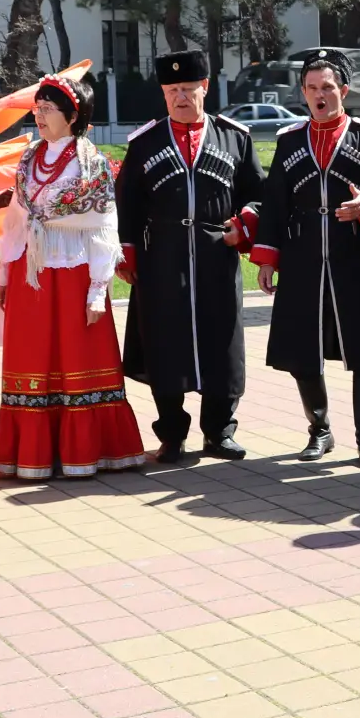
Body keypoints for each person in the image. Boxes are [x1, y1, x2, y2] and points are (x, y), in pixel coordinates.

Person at [251, 49, 360, 470]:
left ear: (344, 91)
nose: (320, 95)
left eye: (328, 87)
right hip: (302, 258)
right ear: (303, 92)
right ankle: (320, 430)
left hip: (352, 257)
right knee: (302, 349)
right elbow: (275, 204)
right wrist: (267, 259)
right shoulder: (289, 140)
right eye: (312, 88)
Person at [116, 50, 266, 464]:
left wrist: (245, 225)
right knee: (165, 342)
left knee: (222, 341)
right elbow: (127, 203)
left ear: (205, 88)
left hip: (217, 254)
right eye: (172, 90)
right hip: (161, 258)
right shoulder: (145, 142)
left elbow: (258, 194)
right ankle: (172, 433)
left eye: (187, 89)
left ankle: (219, 431)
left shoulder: (235, 137)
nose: (180, 97)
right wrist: (127, 254)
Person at [0, 75, 145, 479]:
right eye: (37, 108)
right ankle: (35, 454)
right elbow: (16, 219)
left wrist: (98, 289)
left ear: (73, 116)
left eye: (48, 109)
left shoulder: (91, 163)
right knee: (34, 359)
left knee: (77, 357)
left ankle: (88, 451)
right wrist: (4, 272)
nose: (39, 116)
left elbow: (103, 228)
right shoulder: (29, 158)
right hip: (31, 272)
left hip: (74, 272)